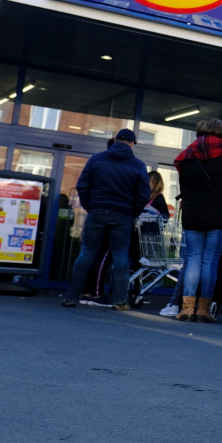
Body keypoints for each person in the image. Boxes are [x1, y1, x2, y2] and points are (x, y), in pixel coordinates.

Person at [62, 128, 150, 310]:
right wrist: (132, 212)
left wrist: (90, 205)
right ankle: (119, 300)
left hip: (97, 211)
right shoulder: (138, 165)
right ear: (132, 144)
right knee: (120, 257)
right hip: (123, 214)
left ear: (116, 140)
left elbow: (82, 185)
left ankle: (71, 297)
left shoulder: (97, 159)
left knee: (86, 253)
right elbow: (143, 195)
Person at [173, 118, 222, 323]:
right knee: (210, 261)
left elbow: (183, 186)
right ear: (220, 132)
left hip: (193, 213)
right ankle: (203, 309)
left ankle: (186, 308)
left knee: (193, 259)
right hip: (219, 215)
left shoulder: (186, 155)